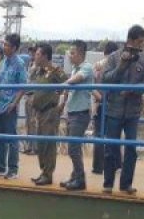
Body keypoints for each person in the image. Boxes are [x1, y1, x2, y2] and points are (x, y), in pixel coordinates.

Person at [101, 25, 144, 194]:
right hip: (114, 110)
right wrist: (121, 65)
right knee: (110, 148)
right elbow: (105, 80)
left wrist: (132, 89)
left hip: (133, 112)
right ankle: (108, 183)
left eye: (142, 43)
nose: (140, 46)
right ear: (130, 40)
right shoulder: (114, 57)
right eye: (138, 42)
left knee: (131, 149)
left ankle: (125, 184)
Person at [28, 43, 67, 186]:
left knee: (48, 143)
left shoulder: (55, 70)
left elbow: (67, 85)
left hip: (50, 110)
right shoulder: (38, 71)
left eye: (38, 54)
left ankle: (48, 174)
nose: (35, 56)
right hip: (39, 111)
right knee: (41, 142)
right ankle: (43, 171)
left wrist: (61, 104)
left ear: (45, 56)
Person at [59, 40, 94, 191]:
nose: (70, 56)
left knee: (73, 147)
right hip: (72, 112)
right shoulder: (74, 68)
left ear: (80, 54)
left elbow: (76, 80)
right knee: (74, 147)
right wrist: (62, 104)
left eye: (72, 53)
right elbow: (69, 86)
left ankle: (80, 179)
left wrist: (64, 84)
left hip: (81, 113)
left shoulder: (86, 67)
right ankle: (75, 176)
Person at [0, 34, 28, 180]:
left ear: (14, 47)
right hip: (0, 105)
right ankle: (0, 168)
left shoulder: (19, 63)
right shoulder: (3, 62)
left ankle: (13, 169)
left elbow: (23, 85)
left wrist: (14, 103)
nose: (4, 46)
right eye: (4, 44)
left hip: (10, 106)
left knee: (11, 138)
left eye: (7, 45)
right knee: (0, 138)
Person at [91, 41, 119, 174]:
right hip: (112, 104)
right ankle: (116, 165)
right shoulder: (116, 65)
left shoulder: (98, 66)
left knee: (99, 135)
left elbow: (92, 86)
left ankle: (97, 167)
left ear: (104, 52)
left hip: (100, 102)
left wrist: (100, 98)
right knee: (114, 135)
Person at [22, 46, 39, 155]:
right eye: (31, 52)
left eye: (34, 53)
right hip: (28, 94)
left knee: (33, 122)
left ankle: (35, 147)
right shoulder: (30, 64)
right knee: (28, 122)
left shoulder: (37, 66)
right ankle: (29, 146)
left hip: (34, 94)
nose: (32, 55)